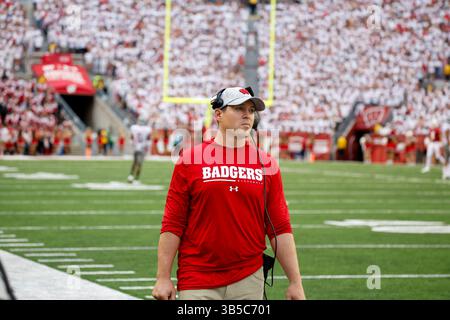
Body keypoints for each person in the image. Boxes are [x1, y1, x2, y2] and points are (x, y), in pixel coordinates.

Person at [152, 87, 306, 300]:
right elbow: (173, 223)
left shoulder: (267, 164)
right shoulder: (189, 160)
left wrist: (295, 282)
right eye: (239, 108)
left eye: (251, 110)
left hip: (249, 277)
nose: (247, 115)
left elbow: (279, 228)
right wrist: (163, 277)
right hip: (197, 277)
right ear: (218, 114)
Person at [128, 118, 151, 184]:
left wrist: (132, 143)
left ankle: (130, 176)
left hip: (136, 148)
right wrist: (147, 148)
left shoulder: (134, 128)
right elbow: (148, 139)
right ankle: (136, 179)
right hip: (142, 148)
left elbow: (132, 137)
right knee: (139, 164)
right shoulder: (147, 129)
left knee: (135, 162)